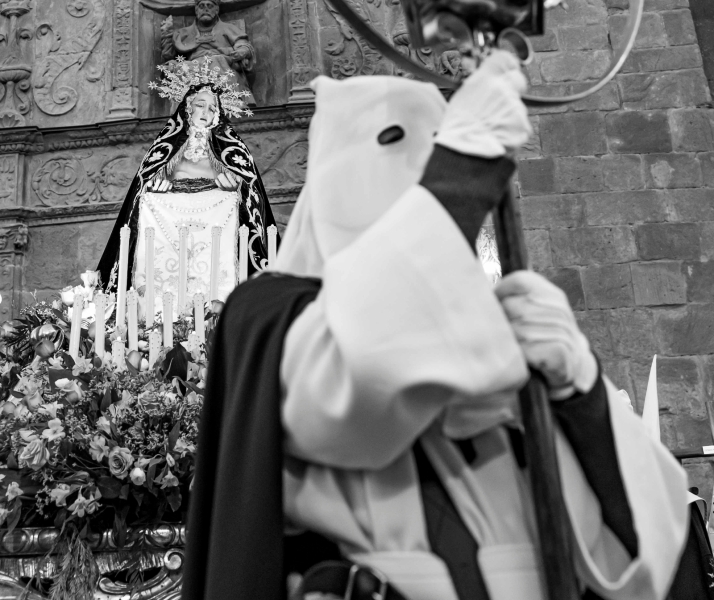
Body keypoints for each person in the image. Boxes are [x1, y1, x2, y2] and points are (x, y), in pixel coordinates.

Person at [183, 52, 689, 600]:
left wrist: (580, 394)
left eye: (434, 155)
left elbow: (648, 543)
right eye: (396, 144)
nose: (417, 181)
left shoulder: (480, 322)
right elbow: (361, 372)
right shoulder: (268, 316)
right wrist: (463, 169)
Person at [97, 58, 277, 293]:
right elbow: (140, 195)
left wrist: (237, 189)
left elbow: (252, 198)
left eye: (213, 108)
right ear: (187, 107)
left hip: (215, 238)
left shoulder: (232, 153)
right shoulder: (164, 152)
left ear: (218, 115)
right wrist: (154, 189)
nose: (206, 111)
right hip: (167, 238)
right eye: (201, 104)